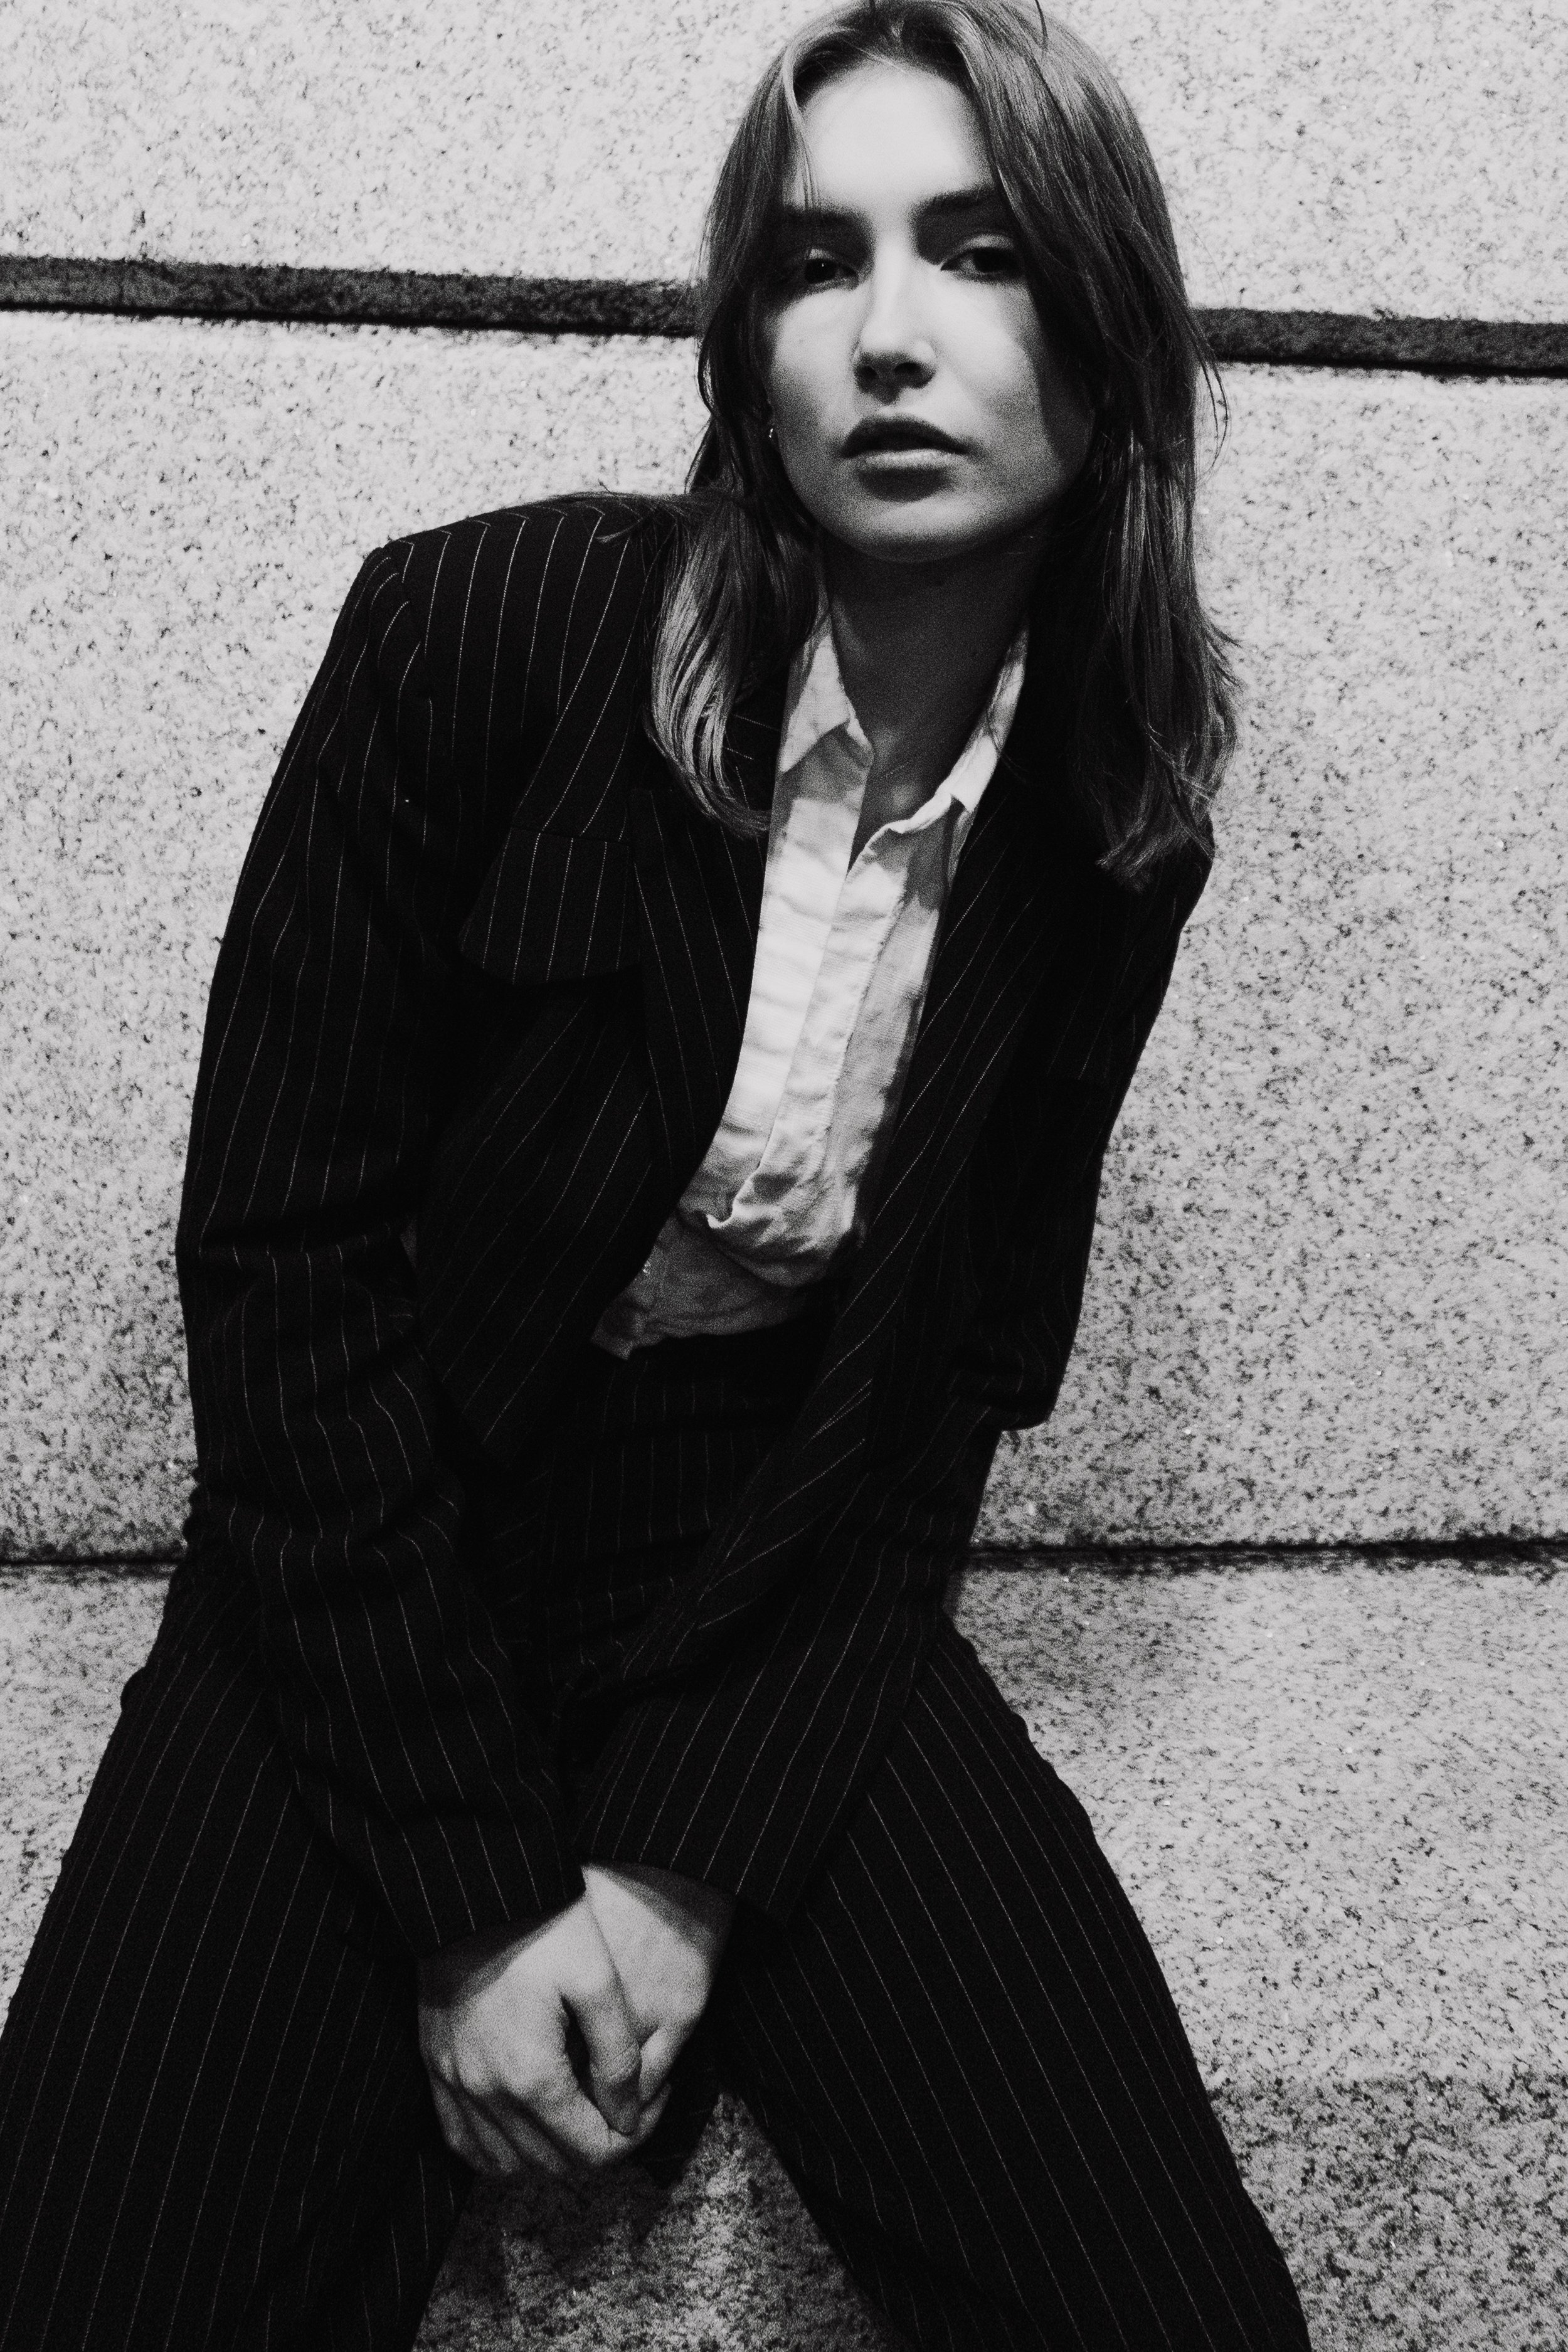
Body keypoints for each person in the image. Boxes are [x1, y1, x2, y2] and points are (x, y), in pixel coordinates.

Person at [0, 4, 1312, 2346]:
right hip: (393, 1526)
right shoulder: (480, 639)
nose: (890, 337)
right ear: (744, 348)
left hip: (770, 1563)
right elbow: (283, 1280)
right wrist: (479, 1907)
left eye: (982, 253)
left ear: (1111, 344)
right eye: (818, 262)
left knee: (1166, 2307)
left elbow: (957, 1368)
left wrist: (689, 1864)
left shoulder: (1116, 820)